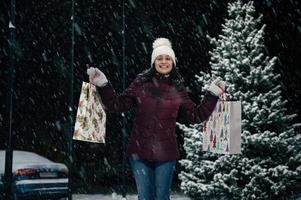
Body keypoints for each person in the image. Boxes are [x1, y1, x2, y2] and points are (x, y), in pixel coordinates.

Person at [87, 38, 225, 200]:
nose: (164, 62)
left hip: (166, 154)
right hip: (139, 153)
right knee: (145, 197)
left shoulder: (177, 87)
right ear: (154, 62)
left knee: (161, 197)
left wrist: (212, 94)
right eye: (160, 58)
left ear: (173, 62)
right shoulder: (141, 83)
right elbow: (117, 105)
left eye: (167, 58)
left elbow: (195, 115)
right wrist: (104, 85)